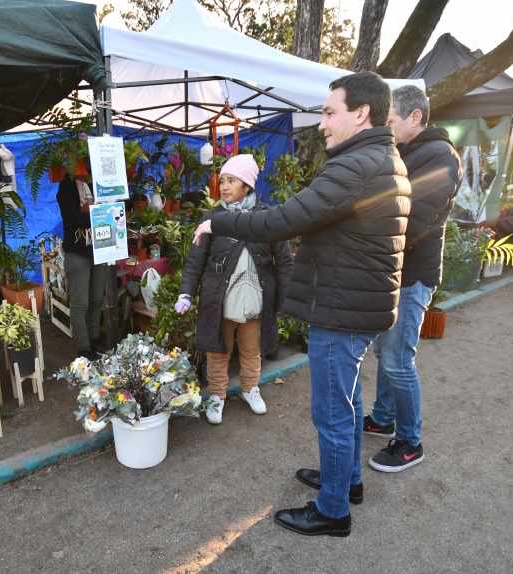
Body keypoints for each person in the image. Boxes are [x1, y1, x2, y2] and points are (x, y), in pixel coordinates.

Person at [192, 71, 411, 537]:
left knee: (333, 411)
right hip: (355, 303)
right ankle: (345, 482)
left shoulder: (356, 165)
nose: (322, 125)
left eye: (330, 113)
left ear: (361, 113)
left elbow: (287, 219)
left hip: (342, 307)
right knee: (348, 405)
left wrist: (219, 222)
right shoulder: (380, 158)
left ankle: (333, 511)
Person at [363, 85, 463, 473]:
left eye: (391, 121)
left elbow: (413, 219)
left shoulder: (439, 156)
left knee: (397, 359)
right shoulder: (409, 151)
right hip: (396, 272)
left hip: (412, 274)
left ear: (415, 117)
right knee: (385, 353)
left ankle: (410, 441)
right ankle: (384, 416)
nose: (386, 129)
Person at [175, 154, 292, 424]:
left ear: (247, 186)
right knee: (218, 350)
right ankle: (216, 395)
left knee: (252, 350)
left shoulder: (266, 217)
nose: (224, 187)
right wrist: (186, 293)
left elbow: (284, 261)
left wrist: (285, 299)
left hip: (255, 299)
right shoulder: (211, 218)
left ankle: (251, 389)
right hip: (220, 300)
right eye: (222, 181)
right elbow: (195, 262)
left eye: (232, 181)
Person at [56, 171, 105, 360]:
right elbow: (71, 218)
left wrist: (106, 214)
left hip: (99, 248)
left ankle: (93, 340)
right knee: (80, 303)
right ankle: (84, 348)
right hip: (77, 250)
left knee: (95, 299)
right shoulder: (67, 186)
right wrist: (101, 217)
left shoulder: (97, 184)